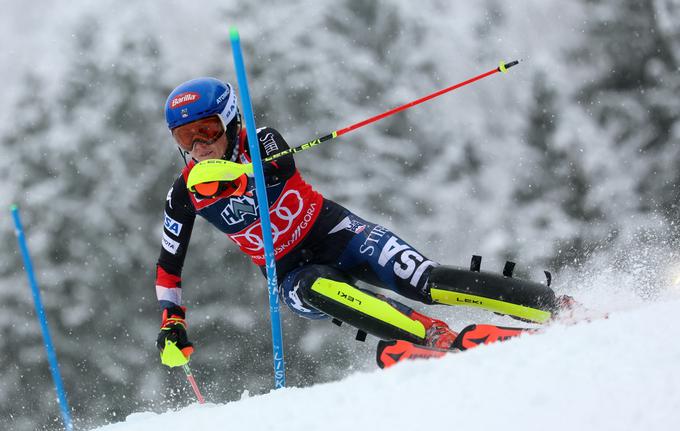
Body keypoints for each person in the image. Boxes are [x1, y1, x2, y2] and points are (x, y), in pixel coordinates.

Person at [155, 77, 567, 364]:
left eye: (207, 131)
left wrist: (241, 174)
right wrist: (172, 321)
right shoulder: (183, 194)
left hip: (337, 233)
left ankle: (553, 307)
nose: (199, 147)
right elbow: (168, 269)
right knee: (316, 288)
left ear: (230, 122)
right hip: (291, 272)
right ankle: (432, 337)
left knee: (424, 279)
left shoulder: (262, 141)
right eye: (185, 138)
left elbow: (279, 168)